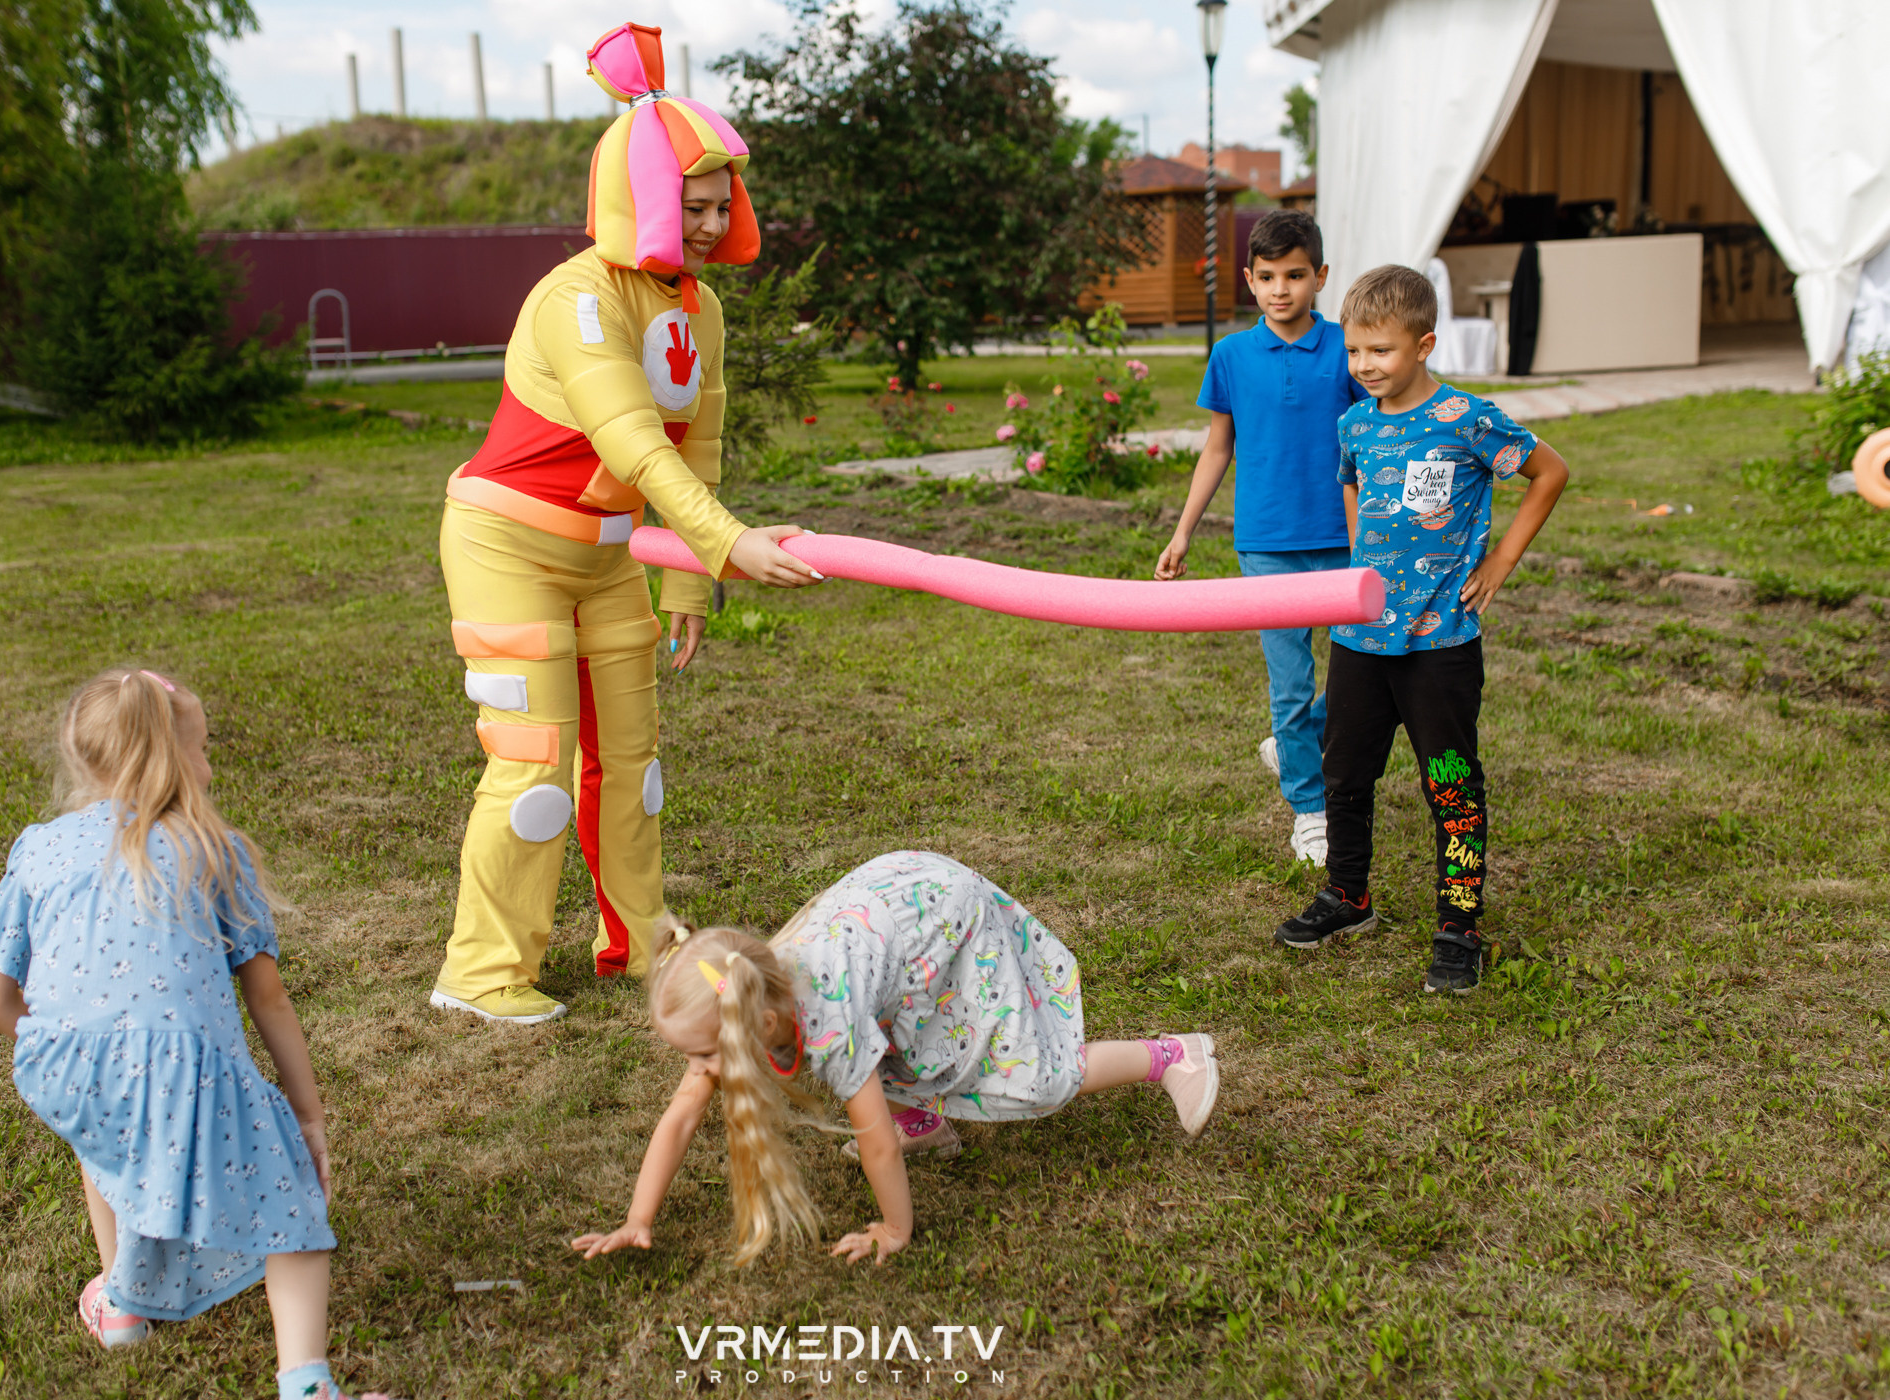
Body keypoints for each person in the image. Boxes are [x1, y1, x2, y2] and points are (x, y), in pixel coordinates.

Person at [432, 22, 822, 1027]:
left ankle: (636, 937)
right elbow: (636, 441)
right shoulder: (578, 301)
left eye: (718, 204)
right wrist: (729, 542)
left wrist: (692, 578)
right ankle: (480, 969)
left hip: (604, 559)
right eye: (688, 204)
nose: (705, 223)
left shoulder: (702, 310)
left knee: (635, 769)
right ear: (640, 197)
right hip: (506, 545)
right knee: (534, 772)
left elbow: (698, 447)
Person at [0, 668, 385, 1400]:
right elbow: (269, 996)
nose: (210, 765)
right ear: (165, 757)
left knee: (107, 1138)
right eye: (202, 748)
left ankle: (122, 1305)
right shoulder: (207, 844)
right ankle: (307, 1384)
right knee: (290, 1207)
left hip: (57, 1064)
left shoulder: (36, 847)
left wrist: (75, 1044)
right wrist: (308, 1120)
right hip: (184, 1059)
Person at [568, 851, 1222, 1266]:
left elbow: (870, 1139)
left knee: (1033, 1081)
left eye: (705, 1052)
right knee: (899, 1038)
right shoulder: (751, 990)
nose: (697, 1069)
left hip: (944, 920)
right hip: (892, 907)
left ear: (761, 1023)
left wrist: (895, 1229)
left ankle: (1171, 1057)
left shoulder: (826, 1022)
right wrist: (636, 1218)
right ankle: (927, 1120)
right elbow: (683, 1115)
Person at [1273, 264, 1568, 994]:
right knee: (1344, 774)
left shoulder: (1466, 419)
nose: (1366, 366)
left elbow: (1550, 472)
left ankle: (1458, 925)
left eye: (1383, 351)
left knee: (1450, 784)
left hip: (1439, 645)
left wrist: (1502, 558)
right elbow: (1350, 479)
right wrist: (1356, 571)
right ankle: (1348, 897)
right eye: (1355, 352)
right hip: (1359, 640)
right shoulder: (1356, 423)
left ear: (1425, 344)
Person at [1155, 211, 1368, 866]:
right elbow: (1219, 447)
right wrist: (1184, 530)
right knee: (1289, 681)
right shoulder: (1230, 356)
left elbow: (1370, 440)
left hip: (1342, 542)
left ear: (1321, 278)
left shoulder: (1345, 350)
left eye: (1296, 276)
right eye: (1269, 277)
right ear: (1249, 280)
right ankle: (1310, 808)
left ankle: (1293, 737)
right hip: (1267, 543)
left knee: (1363, 674)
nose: (1282, 290)